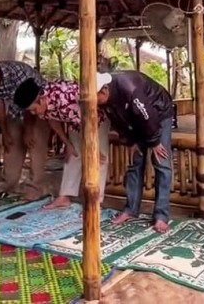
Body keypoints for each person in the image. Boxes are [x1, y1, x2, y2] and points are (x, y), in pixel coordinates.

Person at [13, 78, 110, 209]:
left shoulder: (64, 98)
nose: (33, 113)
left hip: (96, 119)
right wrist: (67, 143)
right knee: (73, 154)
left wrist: (93, 147)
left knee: (98, 158)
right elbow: (53, 120)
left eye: (34, 109)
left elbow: (88, 121)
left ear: (41, 99)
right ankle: (65, 196)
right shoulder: (43, 104)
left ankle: (95, 202)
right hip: (76, 121)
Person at [98, 71, 174, 233]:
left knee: (161, 162)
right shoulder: (104, 101)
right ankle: (131, 209)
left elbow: (147, 114)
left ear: (104, 90)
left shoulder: (129, 87)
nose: (92, 103)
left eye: (94, 98)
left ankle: (161, 215)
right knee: (135, 162)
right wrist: (130, 141)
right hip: (136, 120)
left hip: (158, 113)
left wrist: (154, 141)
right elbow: (117, 121)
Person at [0, 57, 49, 200]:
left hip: (38, 109)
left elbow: (29, 102)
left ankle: (35, 187)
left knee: (35, 143)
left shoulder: (19, 71)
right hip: (15, 111)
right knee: (11, 144)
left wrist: (28, 130)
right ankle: (8, 183)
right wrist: (5, 132)